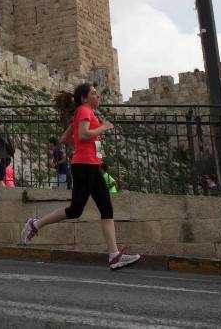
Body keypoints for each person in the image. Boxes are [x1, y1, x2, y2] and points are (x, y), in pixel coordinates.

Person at [21, 84, 141, 270]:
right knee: (76, 209)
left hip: (91, 165)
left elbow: (63, 139)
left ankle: (114, 255)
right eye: (94, 93)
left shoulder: (82, 112)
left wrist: (82, 136)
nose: (98, 95)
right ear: (85, 98)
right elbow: (84, 134)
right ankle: (35, 224)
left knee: (105, 208)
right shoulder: (85, 110)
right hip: (85, 166)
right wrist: (103, 128)